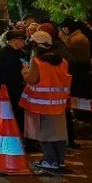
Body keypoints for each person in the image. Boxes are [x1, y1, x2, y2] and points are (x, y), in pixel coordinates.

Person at [20, 31, 72, 172]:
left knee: (45, 134)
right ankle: (60, 161)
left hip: (42, 103)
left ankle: (50, 161)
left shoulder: (36, 62)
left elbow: (32, 80)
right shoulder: (63, 61)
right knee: (59, 133)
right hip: (59, 103)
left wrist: (24, 72)